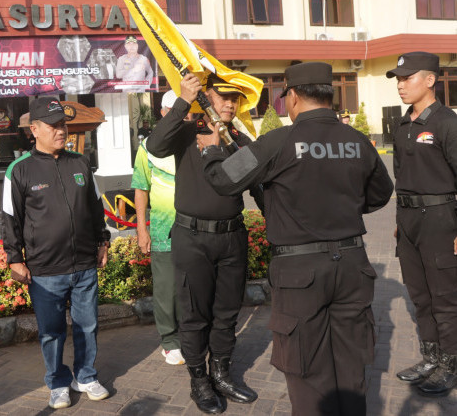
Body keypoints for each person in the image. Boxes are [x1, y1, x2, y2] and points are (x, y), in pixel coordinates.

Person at [199, 62, 394, 416]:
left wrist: (212, 148)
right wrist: (339, 206)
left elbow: (224, 179)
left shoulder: (278, 141)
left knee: (306, 369)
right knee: (351, 366)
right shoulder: (356, 141)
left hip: (300, 272)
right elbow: (381, 194)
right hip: (353, 265)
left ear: (293, 96)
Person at [147, 73, 264, 414]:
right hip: (192, 237)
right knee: (195, 316)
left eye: (236, 99)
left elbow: (250, 182)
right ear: (207, 98)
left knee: (227, 314)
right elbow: (154, 146)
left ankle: (222, 373)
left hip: (231, 236)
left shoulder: (239, 140)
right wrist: (183, 100)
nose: (230, 103)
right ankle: (199, 381)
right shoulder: (186, 133)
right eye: (223, 97)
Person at [2, 96, 111, 410]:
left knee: (87, 324)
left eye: (63, 124)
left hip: (83, 266)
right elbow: (10, 219)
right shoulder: (19, 170)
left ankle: (86, 375)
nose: (61, 130)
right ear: (34, 130)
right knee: (51, 332)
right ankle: (58, 382)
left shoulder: (79, 163)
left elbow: (95, 208)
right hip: (46, 270)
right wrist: (15, 258)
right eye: (53, 125)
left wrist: (103, 241)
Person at [387, 52, 457, 396]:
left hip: (441, 219)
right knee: (421, 294)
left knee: (445, 296)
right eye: (398, 79)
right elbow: (401, 175)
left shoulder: (447, 122)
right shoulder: (402, 124)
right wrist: (401, 219)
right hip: (409, 220)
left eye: (407, 78)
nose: (400, 85)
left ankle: (450, 363)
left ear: (430, 80)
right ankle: (430, 356)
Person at [131, 90, 192, 367]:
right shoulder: (148, 148)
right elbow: (141, 189)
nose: (185, 117)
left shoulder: (195, 141)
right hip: (163, 230)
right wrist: (142, 230)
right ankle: (169, 341)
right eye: (179, 111)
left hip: (195, 229)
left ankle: (191, 336)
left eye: (189, 111)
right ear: (165, 113)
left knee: (193, 286)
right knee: (167, 289)